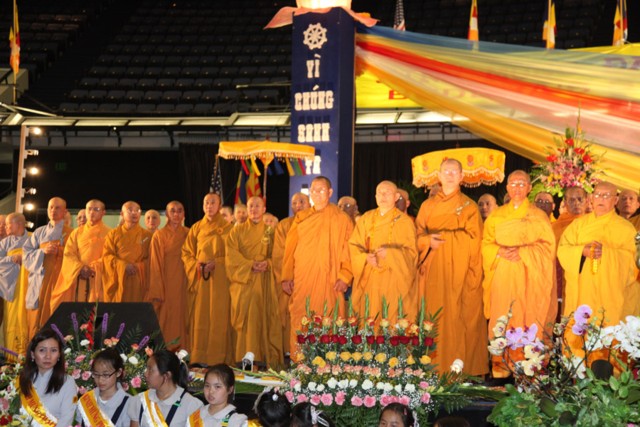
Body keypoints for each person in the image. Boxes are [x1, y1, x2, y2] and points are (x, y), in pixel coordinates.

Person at [415, 159, 487, 376]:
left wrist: (445, 239)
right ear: (438, 176)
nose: (449, 175)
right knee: (432, 318)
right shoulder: (427, 206)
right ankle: (430, 369)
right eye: (445, 171)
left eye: (454, 172)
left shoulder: (469, 206)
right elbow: (416, 236)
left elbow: (475, 241)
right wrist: (427, 241)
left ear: (462, 176)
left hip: (459, 275)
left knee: (458, 319)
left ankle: (459, 371)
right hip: (433, 273)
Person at [482, 170, 556, 378]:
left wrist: (523, 252)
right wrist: (499, 251)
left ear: (529, 188)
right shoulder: (496, 216)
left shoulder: (538, 216)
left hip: (529, 278)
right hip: (503, 276)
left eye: (522, 184)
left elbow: (548, 248)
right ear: (507, 187)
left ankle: (528, 371)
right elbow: (485, 244)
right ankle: (501, 372)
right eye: (513, 184)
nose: (517, 188)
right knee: (502, 318)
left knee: (527, 319)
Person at [282, 176, 354, 358]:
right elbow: (290, 249)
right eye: (313, 190)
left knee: (329, 319)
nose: (316, 194)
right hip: (303, 279)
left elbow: (349, 250)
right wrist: (287, 277)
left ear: (330, 192)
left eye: (321, 190)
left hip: (330, 280)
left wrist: (345, 276)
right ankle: (300, 363)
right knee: (301, 318)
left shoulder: (342, 219)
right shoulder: (301, 217)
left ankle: (328, 366)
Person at [558, 182, 640, 332]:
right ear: (591, 198)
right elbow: (563, 250)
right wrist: (582, 251)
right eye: (598, 195)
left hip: (610, 295)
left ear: (615, 200)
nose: (601, 199)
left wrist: (607, 253)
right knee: (579, 334)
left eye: (606, 195)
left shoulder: (626, 229)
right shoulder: (578, 225)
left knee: (607, 333)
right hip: (582, 291)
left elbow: (634, 263)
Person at [349, 180, 417, 325]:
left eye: (387, 193)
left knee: (391, 320)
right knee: (369, 318)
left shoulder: (405, 222)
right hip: (370, 277)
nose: (383, 196)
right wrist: (365, 258)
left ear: (396, 197)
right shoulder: (366, 218)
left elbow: (412, 254)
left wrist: (390, 254)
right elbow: (354, 245)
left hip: (394, 280)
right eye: (379, 193)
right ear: (375, 196)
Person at [226, 196, 283, 366]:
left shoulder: (271, 231)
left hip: (264, 281)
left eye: (257, 206)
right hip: (244, 282)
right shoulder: (236, 231)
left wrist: (268, 263)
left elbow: (278, 256)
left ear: (264, 209)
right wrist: (250, 265)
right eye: (251, 206)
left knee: (263, 318)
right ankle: (242, 358)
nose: (254, 209)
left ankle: (263, 356)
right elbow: (231, 256)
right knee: (245, 320)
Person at [181, 193, 234, 365]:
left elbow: (234, 255)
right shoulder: (196, 228)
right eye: (206, 203)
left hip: (220, 281)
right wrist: (196, 265)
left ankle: (219, 358)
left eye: (213, 202)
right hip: (201, 280)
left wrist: (218, 263)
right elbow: (186, 253)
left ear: (219, 206)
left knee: (219, 316)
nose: (209, 206)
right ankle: (199, 356)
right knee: (200, 316)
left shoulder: (228, 228)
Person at [23, 197, 73, 338]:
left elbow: (75, 257)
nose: (53, 210)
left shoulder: (71, 233)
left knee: (55, 316)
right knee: (35, 322)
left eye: (57, 208)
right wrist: (42, 251)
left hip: (59, 283)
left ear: (65, 211)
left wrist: (60, 251)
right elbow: (26, 255)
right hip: (40, 280)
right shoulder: (39, 232)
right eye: (51, 207)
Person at [50, 199, 111, 312]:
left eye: (96, 209)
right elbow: (69, 254)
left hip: (98, 280)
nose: (92, 212)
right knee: (76, 314)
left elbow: (110, 256)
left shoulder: (110, 233)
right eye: (89, 209)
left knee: (96, 315)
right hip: (78, 277)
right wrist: (80, 268)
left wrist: (94, 267)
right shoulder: (76, 233)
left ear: (103, 212)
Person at [272, 192, 310, 355]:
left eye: (302, 201)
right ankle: (288, 350)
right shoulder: (284, 225)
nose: (298, 205)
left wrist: (302, 276)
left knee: (308, 314)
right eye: (294, 203)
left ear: (309, 203)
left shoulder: (315, 222)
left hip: (309, 278)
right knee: (286, 313)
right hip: (288, 279)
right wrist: (287, 277)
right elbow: (279, 254)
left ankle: (307, 352)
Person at [148, 201, 189, 349]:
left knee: (185, 318)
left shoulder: (189, 233)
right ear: (166, 214)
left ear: (184, 214)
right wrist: (157, 290)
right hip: (167, 286)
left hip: (186, 285)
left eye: (179, 211)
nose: (176, 214)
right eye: (173, 211)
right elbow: (155, 265)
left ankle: (186, 352)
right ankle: (166, 352)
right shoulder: (159, 236)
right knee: (167, 318)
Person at [18, 328, 77, 425]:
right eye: (42, 350)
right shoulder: (22, 380)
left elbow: (67, 418)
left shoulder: (67, 382)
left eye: (53, 350)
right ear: (32, 354)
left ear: (59, 355)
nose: (48, 356)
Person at [129, 350, 203, 426]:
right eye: (146, 369)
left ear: (167, 375)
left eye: (150, 370)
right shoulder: (140, 400)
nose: (145, 374)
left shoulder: (192, 405)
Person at [102, 201, 152, 302]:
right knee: (119, 310)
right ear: (122, 214)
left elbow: (152, 259)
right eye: (130, 210)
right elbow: (107, 256)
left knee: (137, 309)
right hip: (118, 280)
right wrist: (123, 266)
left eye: (137, 210)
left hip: (139, 280)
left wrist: (139, 266)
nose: (134, 213)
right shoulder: (113, 234)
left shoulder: (148, 236)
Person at [551, 187, 588, 313]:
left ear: (587, 201)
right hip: (559, 278)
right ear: (565, 202)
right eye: (571, 200)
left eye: (580, 199)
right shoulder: (555, 227)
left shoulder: (592, 224)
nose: (576, 203)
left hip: (584, 277)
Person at [77, 348, 132, 427]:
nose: (100, 380)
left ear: (118, 372)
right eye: (96, 374)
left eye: (106, 375)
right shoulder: (86, 400)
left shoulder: (129, 404)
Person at [0, 213, 30, 356]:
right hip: (11, 288)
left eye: (7, 224)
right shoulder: (5, 243)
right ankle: (11, 357)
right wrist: (12, 258)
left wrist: (25, 258)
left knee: (26, 320)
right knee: (11, 320)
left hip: (28, 288)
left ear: (18, 224)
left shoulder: (33, 239)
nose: (5, 227)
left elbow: (40, 257)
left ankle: (26, 354)